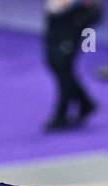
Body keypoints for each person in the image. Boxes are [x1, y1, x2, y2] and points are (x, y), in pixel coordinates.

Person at [43, 0, 101, 132]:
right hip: (56, 23)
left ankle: (61, 114)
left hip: (72, 25)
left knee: (63, 68)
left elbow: (92, 9)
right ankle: (86, 102)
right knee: (56, 65)